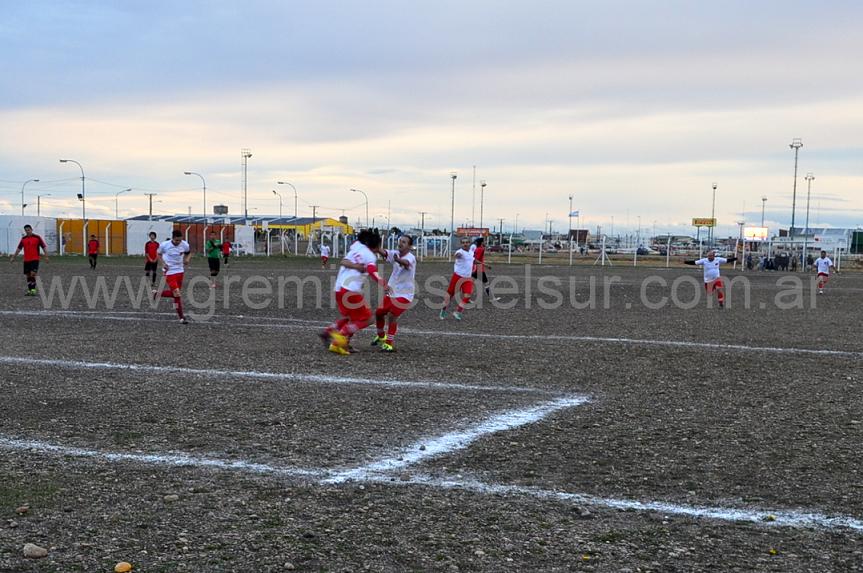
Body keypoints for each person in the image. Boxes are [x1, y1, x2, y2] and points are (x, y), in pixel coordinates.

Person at [321, 230, 389, 355]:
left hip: (339, 287)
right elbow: (372, 271)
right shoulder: (370, 256)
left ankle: (330, 332)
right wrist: (383, 283)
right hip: (350, 289)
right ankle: (338, 340)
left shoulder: (357, 246)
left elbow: (343, 261)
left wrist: (356, 266)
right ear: (376, 246)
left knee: (350, 317)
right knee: (368, 319)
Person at [371, 235, 416, 352]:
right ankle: (381, 337)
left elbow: (405, 263)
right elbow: (384, 252)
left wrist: (398, 260)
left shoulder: (411, 257)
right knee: (378, 313)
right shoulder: (395, 253)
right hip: (392, 292)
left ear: (409, 246)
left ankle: (389, 343)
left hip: (405, 295)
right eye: (400, 241)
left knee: (392, 315)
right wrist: (376, 247)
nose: (401, 243)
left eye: (404, 242)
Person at [155, 230, 191, 324]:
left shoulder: (185, 245)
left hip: (180, 271)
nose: (178, 242)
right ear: (172, 238)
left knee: (175, 294)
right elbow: (158, 254)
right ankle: (181, 317)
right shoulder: (164, 245)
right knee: (177, 293)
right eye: (176, 240)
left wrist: (187, 259)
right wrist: (163, 263)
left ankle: (157, 294)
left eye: (179, 240)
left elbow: (188, 252)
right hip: (169, 271)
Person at [440, 236, 476, 320]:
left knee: (468, 295)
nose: (465, 244)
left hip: (467, 278)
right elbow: (457, 255)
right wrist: (457, 255)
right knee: (449, 296)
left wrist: (483, 264)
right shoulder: (460, 252)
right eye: (463, 242)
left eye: (467, 242)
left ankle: (458, 312)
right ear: (461, 244)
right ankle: (443, 310)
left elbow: (473, 260)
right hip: (457, 277)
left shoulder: (471, 252)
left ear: (469, 243)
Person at [9, 224, 48, 296]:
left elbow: (44, 246)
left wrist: (46, 256)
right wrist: (13, 257)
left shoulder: (37, 237)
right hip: (26, 260)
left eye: (29, 230)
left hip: (35, 259)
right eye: (26, 230)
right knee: (28, 275)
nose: (27, 231)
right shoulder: (23, 239)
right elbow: (19, 248)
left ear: (31, 229)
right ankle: (30, 290)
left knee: (33, 273)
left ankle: (33, 290)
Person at [471, 237, 499, 301]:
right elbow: (475, 260)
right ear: (481, 242)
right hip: (479, 269)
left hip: (476, 269)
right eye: (484, 241)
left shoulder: (478, 249)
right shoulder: (481, 249)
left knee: (470, 283)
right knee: (486, 283)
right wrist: (486, 265)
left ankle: (466, 297)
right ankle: (492, 298)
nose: (485, 242)